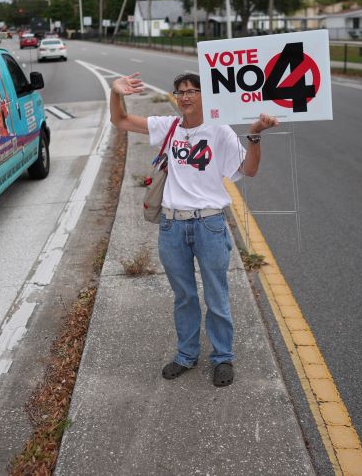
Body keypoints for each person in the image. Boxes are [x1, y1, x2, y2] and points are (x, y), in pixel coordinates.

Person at [110, 71, 278, 387]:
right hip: (172, 225)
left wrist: (254, 135)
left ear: (205, 95)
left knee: (217, 295)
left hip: (210, 224)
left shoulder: (219, 131)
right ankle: (186, 355)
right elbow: (120, 121)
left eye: (193, 90)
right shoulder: (168, 127)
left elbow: (249, 170)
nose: (185, 96)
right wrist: (115, 92)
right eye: (180, 91)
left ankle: (222, 357)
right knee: (183, 296)